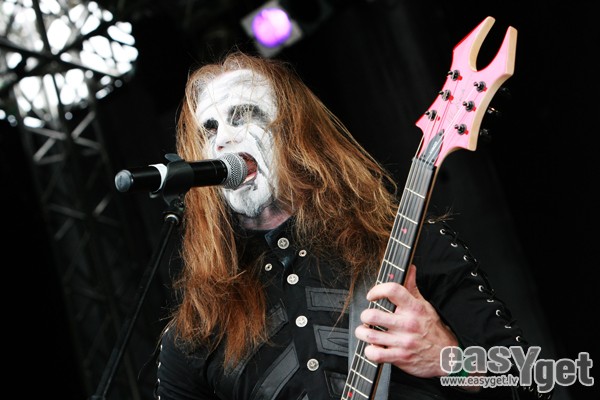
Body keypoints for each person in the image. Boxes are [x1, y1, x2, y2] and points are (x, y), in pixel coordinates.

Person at [153, 51, 551, 400]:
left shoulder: (407, 244)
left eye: (242, 116)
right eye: (209, 129)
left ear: (295, 132)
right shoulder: (198, 330)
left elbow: (531, 382)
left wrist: (450, 361)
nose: (222, 140)